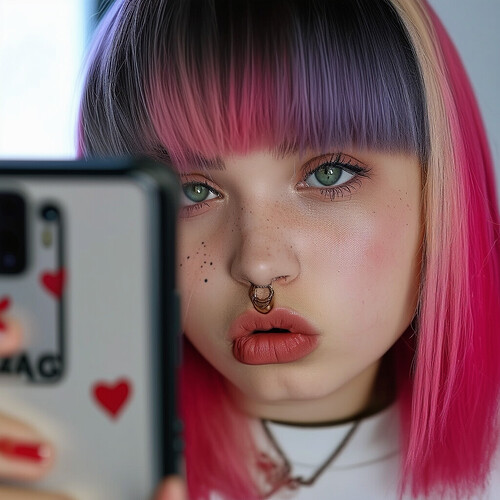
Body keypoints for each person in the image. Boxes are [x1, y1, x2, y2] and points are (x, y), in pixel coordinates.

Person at [1, 0, 500, 498]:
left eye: (329, 175)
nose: (258, 263)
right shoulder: (69, 464)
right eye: (190, 192)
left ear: (440, 189)